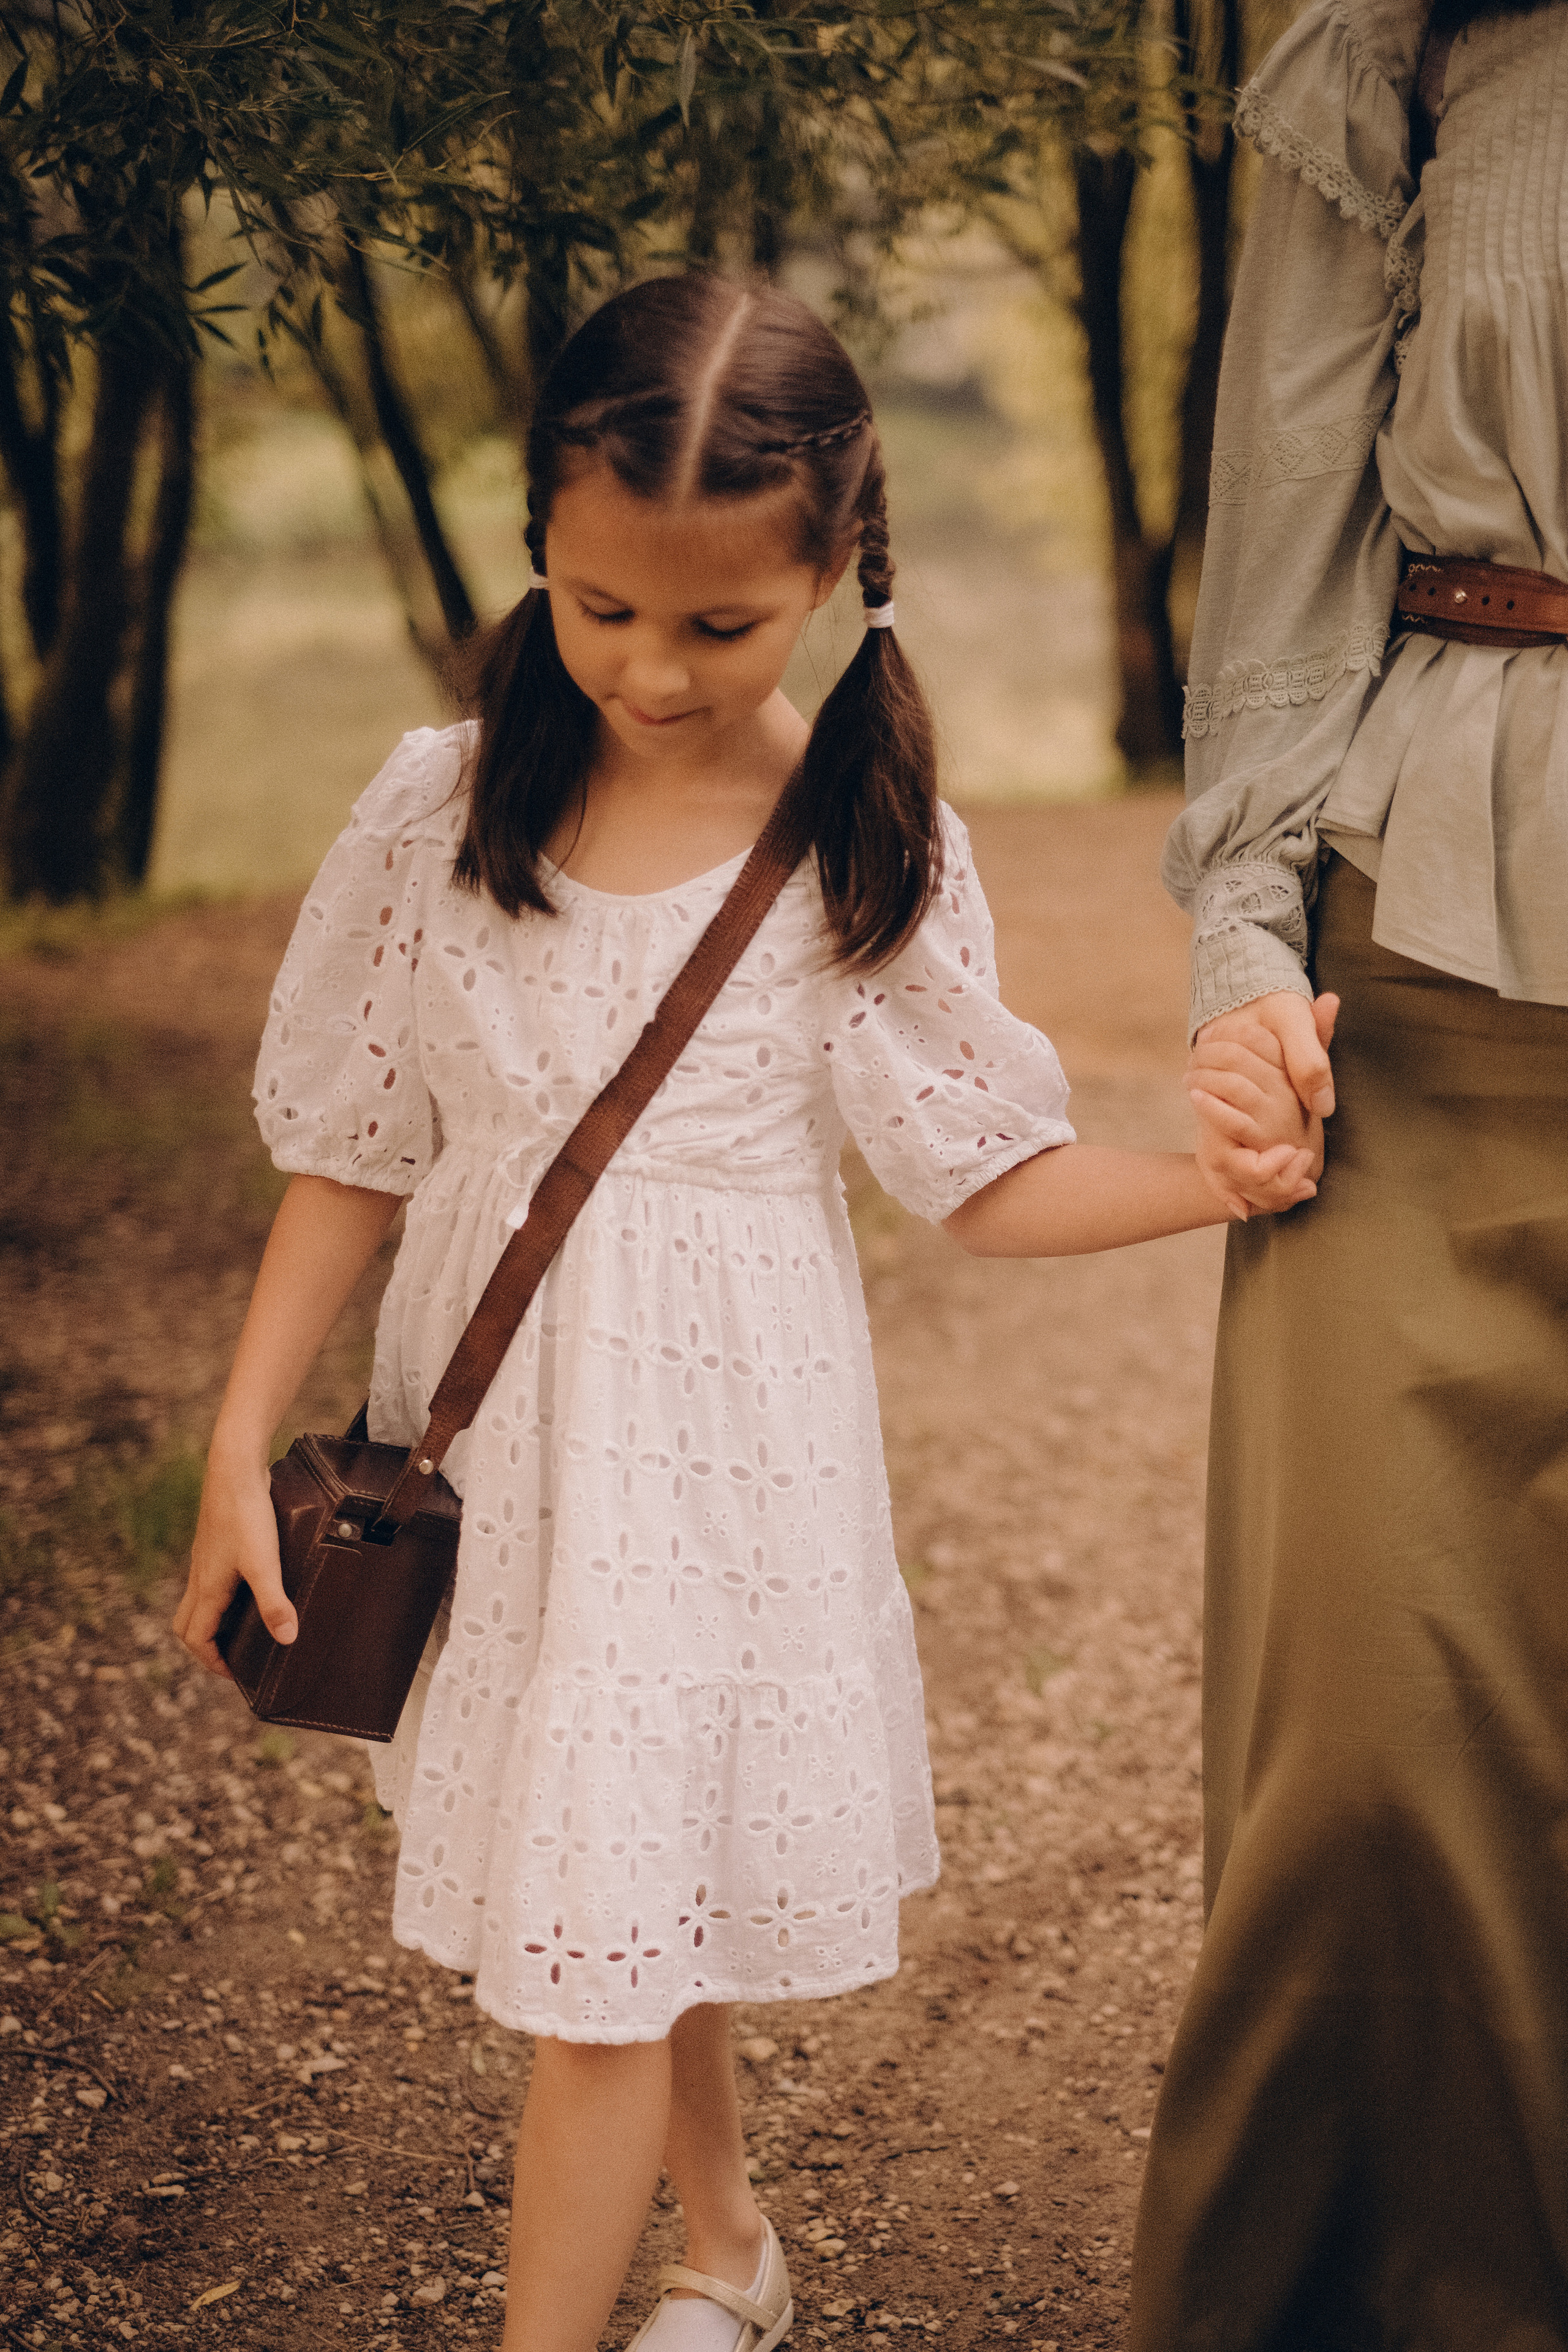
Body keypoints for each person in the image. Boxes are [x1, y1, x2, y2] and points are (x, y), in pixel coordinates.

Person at [173, 274, 1314, 2352]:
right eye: (602, 608)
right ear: (538, 539)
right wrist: (242, 1439)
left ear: (837, 566)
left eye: (720, 624)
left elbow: (984, 1175)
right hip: (502, 1459)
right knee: (621, 1873)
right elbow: (354, 1143)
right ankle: (730, 2259)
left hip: (720, 1485)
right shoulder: (440, 809)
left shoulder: (861, 844)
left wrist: (1212, 1187)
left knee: (604, 1929)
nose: (649, 669)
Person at [1144, 2, 1568, 2345]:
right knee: (1373, 1774)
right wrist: (1240, 958)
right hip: (1425, 1003)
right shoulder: (1388, 47)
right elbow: (1289, 529)